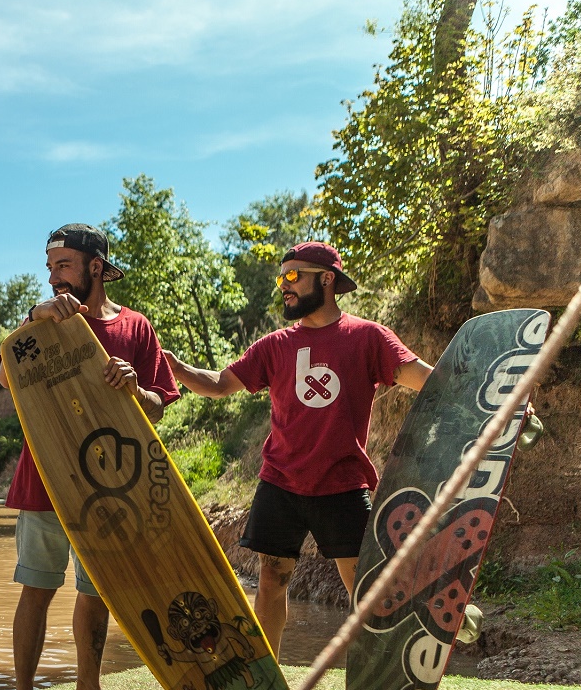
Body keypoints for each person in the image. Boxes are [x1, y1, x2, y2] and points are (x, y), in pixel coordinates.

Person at [162, 242, 432, 655]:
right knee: (271, 579)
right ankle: (268, 675)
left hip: (342, 482)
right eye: (281, 277)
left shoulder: (367, 337)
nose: (284, 286)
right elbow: (219, 385)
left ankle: (384, 674)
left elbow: (424, 379)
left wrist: (492, 390)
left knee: (366, 584)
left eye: (293, 276)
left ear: (327, 279)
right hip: (280, 483)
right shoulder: (275, 345)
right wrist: (179, 369)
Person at [0, 224, 179, 690]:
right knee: (36, 588)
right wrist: (33, 318)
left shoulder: (137, 328)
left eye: (64, 266)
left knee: (96, 592)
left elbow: (159, 406)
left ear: (95, 268)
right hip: (45, 477)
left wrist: (136, 388)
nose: (53, 277)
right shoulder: (43, 323)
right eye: (50, 267)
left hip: (110, 485)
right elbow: (8, 376)